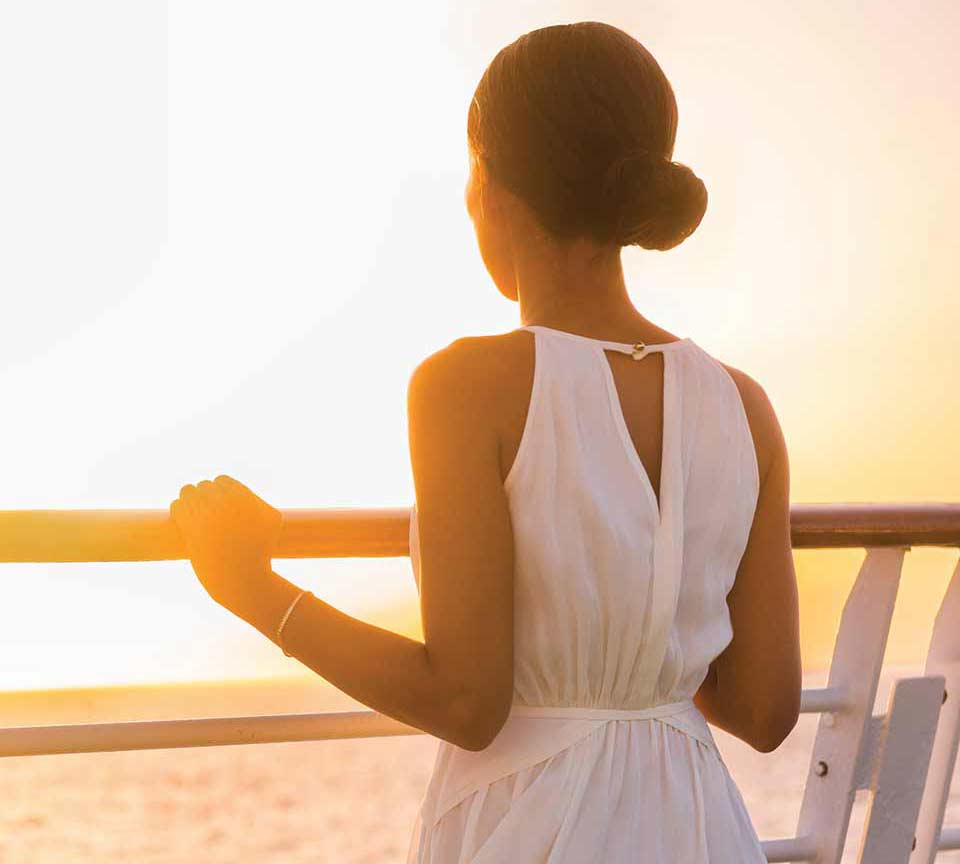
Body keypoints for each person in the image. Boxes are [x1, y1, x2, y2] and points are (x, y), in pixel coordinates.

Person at [168, 21, 800, 863]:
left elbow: (467, 702)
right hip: (697, 826)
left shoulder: (467, 385)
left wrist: (253, 590)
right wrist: (647, 664)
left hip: (532, 830)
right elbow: (763, 710)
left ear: (489, 184)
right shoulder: (744, 406)